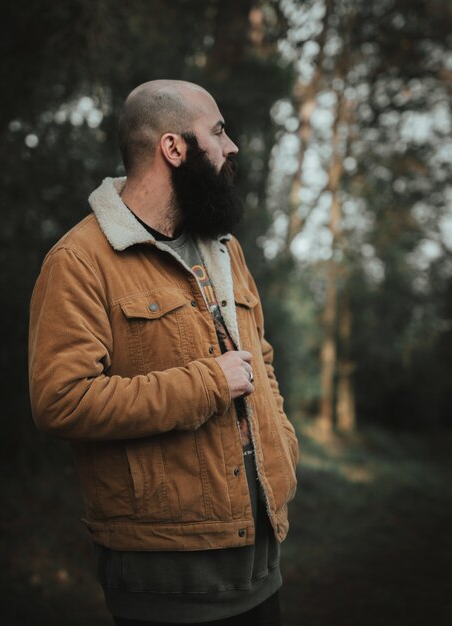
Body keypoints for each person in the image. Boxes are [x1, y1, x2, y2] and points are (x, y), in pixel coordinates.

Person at [29, 79, 298, 626]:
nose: (232, 146)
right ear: (173, 148)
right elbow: (61, 400)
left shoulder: (224, 248)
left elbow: (260, 361)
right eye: (218, 131)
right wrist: (206, 384)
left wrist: (284, 452)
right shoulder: (79, 261)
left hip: (262, 561)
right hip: (166, 580)